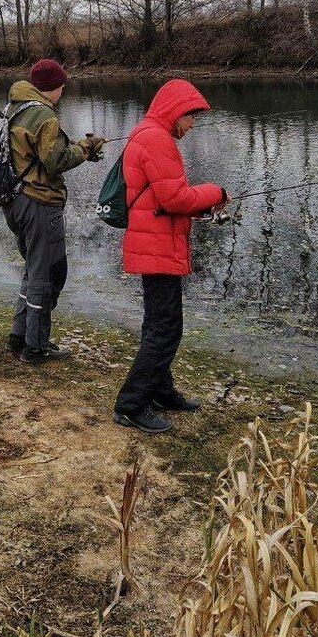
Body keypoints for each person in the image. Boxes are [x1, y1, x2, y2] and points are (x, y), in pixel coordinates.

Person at [113, 79, 228, 434]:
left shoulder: (147, 133)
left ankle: (160, 391)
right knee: (166, 329)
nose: (193, 124)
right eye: (191, 116)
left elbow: (159, 198)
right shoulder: (156, 139)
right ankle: (131, 405)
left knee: (157, 324)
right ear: (175, 112)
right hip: (156, 246)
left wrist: (199, 205)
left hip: (155, 242)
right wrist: (216, 192)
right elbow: (174, 199)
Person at [3, 58, 105, 364]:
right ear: (54, 87)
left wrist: (79, 148)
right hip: (39, 202)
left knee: (34, 269)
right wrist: (87, 148)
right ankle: (36, 347)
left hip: (15, 201)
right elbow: (56, 161)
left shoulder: (17, 106)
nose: (63, 91)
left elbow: (37, 154)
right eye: (62, 86)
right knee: (48, 275)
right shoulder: (44, 115)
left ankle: (18, 337)